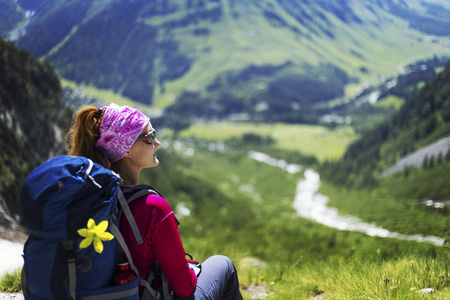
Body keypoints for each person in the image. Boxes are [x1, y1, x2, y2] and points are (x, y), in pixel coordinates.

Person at [65, 103, 243, 300]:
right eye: (149, 137)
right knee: (223, 264)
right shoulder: (152, 207)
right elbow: (185, 288)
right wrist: (189, 270)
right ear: (127, 149)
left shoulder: (90, 198)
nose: (157, 142)